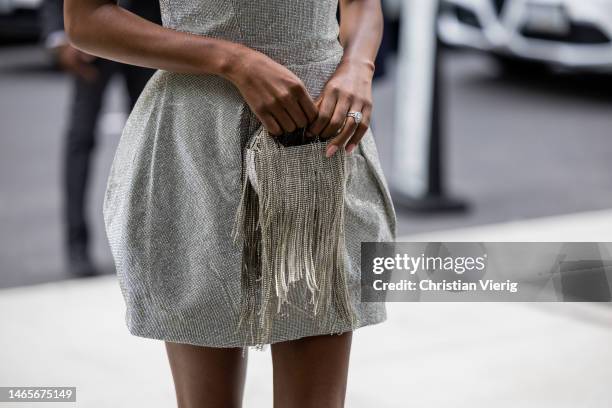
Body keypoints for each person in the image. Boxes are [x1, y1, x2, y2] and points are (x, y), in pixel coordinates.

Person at [64, 0, 397, 406]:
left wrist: (359, 65)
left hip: (320, 130)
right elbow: (85, 19)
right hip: (199, 137)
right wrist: (231, 59)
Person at [40, 0, 161, 277]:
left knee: (151, 143)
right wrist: (60, 35)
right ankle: (76, 246)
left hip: (147, 31)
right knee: (80, 139)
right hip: (90, 35)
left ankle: (148, 247)